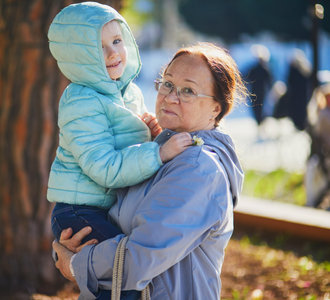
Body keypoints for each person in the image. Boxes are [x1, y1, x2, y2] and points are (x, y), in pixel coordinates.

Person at [53, 42, 247, 299]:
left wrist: (75, 264)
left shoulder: (199, 169)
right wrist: (74, 239)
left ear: (217, 108)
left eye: (188, 90)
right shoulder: (160, 151)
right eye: (167, 83)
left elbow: (138, 259)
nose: (169, 96)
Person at [47, 2, 189, 244]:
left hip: (111, 205)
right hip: (80, 211)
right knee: (125, 263)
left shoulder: (128, 92)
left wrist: (151, 135)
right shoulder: (81, 101)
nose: (113, 53)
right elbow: (104, 167)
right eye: (97, 48)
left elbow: (130, 148)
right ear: (77, 58)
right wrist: (158, 153)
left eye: (116, 41)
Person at [246, 44, 273, 125]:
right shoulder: (264, 69)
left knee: (257, 108)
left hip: (256, 91)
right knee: (259, 108)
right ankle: (260, 122)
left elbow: (247, 78)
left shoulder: (255, 68)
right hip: (261, 91)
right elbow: (270, 81)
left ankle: (260, 122)